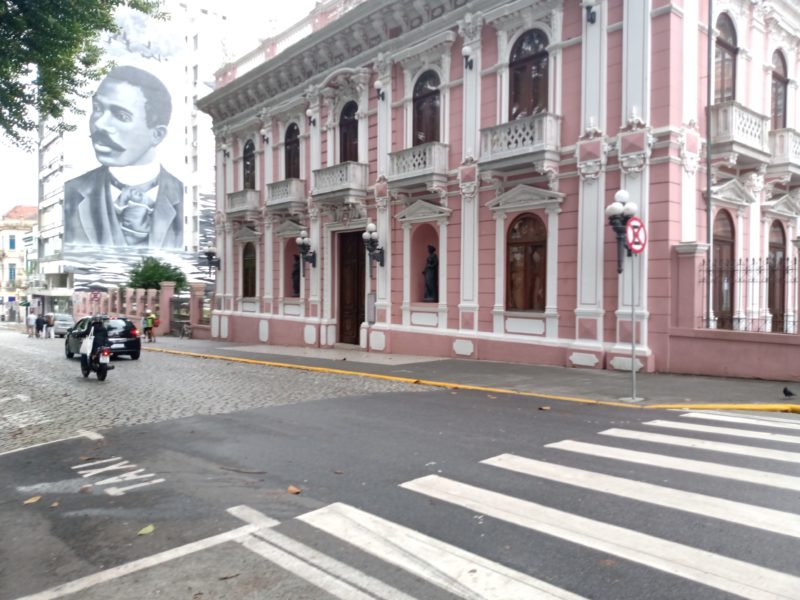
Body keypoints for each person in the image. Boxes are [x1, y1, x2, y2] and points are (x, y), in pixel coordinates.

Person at [63, 65, 184, 249]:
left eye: (121, 115)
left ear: (157, 135)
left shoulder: (183, 197)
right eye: (97, 108)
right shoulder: (74, 192)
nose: (99, 124)